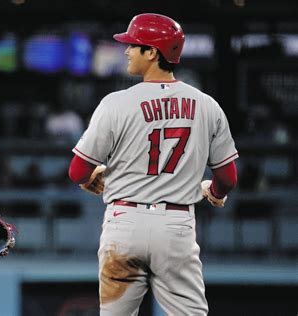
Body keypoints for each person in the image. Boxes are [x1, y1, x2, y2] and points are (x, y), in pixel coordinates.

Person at [68, 13, 238, 315]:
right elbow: (228, 177)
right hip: (176, 225)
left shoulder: (116, 102)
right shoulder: (207, 104)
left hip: (124, 221)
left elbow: (77, 170)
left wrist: (90, 177)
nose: (127, 50)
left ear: (152, 52)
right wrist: (215, 191)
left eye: (134, 45)